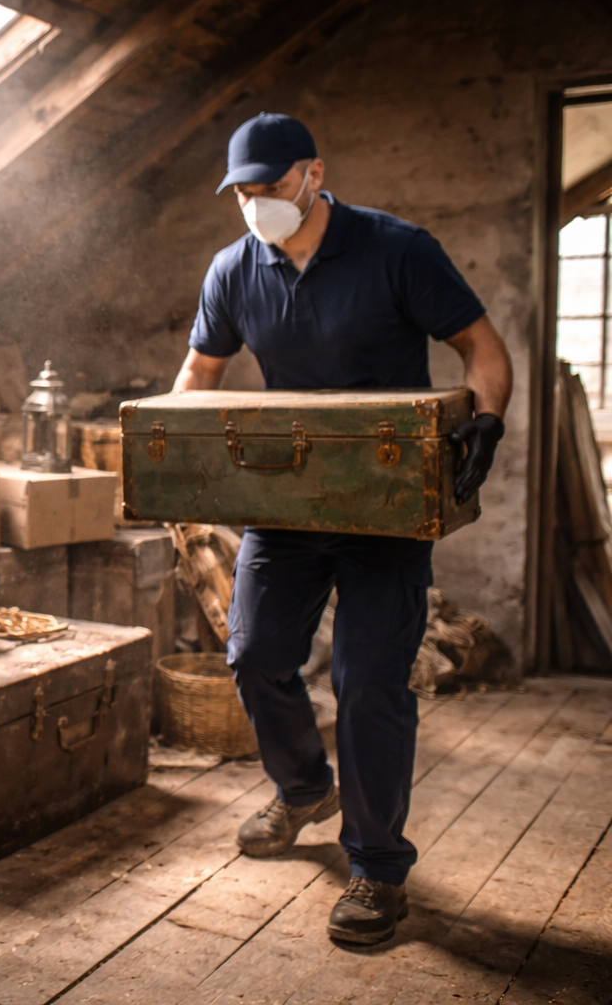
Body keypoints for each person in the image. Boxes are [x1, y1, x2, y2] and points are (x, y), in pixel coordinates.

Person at [173, 113, 513, 946]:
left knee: (369, 682)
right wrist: (172, 456)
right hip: (285, 501)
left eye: (271, 186)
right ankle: (302, 789)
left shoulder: (397, 249)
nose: (257, 204)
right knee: (253, 654)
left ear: (313, 174)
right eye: (243, 193)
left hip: (386, 505)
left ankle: (375, 867)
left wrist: (487, 420)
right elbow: (196, 377)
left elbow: (481, 345)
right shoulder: (233, 270)